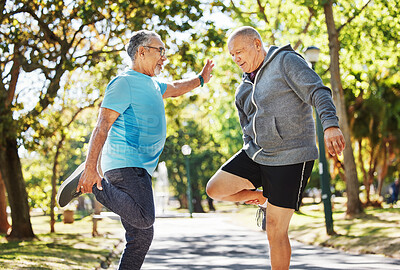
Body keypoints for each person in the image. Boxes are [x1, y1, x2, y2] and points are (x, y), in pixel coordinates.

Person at [57, 30, 214, 269]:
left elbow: (175, 87)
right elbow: (102, 127)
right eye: (160, 50)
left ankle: (91, 181)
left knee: (141, 236)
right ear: (142, 51)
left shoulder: (152, 84)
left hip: (138, 167)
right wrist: (91, 167)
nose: (164, 57)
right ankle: (91, 184)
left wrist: (201, 79)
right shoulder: (124, 82)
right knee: (145, 217)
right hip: (125, 164)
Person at [206, 26, 345, 270]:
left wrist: (330, 125)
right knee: (215, 188)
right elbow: (246, 127)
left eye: (239, 52)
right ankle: (262, 197)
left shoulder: (285, 61)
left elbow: (318, 91)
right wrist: (248, 148)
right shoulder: (243, 87)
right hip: (257, 153)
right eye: (232, 55)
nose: (236, 58)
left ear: (257, 44)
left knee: (275, 231)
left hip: (291, 156)